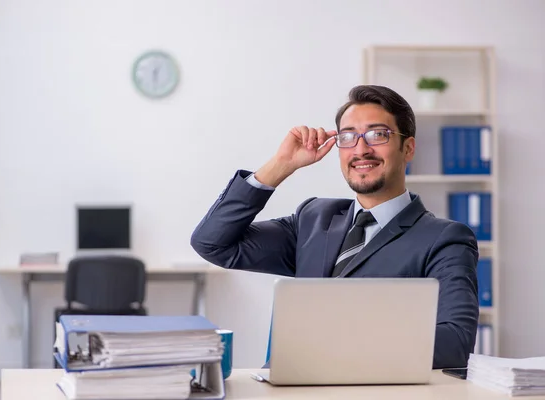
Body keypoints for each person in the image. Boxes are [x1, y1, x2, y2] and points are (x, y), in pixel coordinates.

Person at [190, 85, 479, 369]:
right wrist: (280, 165)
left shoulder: (444, 239)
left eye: (378, 135)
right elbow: (214, 244)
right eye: (348, 136)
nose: (361, 149)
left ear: (408, 148)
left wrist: (338, 340)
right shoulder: (314, 218)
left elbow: (454, 344)